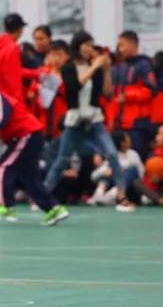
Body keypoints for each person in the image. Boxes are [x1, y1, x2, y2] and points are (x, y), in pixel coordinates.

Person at [0, 65, 69, 225]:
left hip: (27, 135)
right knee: (29, 178)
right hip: (31, 136)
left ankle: (7, 207)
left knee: (3, 166)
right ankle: (54, 209)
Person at [45, 32, 134, 212]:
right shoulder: (69, 67)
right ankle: (43, 195)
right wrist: (93, 67)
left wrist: (107, 69)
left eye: (91, 45)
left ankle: (122, 196)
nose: (89, 48)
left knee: (112, 154)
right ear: (78, 46)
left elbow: (107, 93)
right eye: (86, 44)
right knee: (62, 160)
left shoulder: (96, 67)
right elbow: (74, 88)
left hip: (94, 118)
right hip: (75, 120)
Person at [109, 31, 156, 158]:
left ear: (133, 44)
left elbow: (150, 91)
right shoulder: (117, 67)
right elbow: (112, 97)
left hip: (137, 124)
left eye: (122, 45)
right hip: (118, 123)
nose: (119, 49)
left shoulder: (144, 65)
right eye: (118, 45)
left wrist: (129, 96)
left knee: (136, 157)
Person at [0, 13, 39, 102]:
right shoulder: (12, 48)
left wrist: (36, 73)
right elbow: (13, 79)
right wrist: (19, 102)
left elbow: (13, 70)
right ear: (20, 29)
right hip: (8, 100)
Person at [89, 131, 144, 206]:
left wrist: (122, 172)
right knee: (106, 175)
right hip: (112, 185)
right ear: (122, 142)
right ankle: (98, 196)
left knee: (132, 170)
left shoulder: (133, 154)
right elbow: (93, 176)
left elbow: (141, 174)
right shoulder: (112, 156)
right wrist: (105, 171)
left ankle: (105, 198)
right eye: (127, 138)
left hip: (128, 188)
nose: (130, 139)